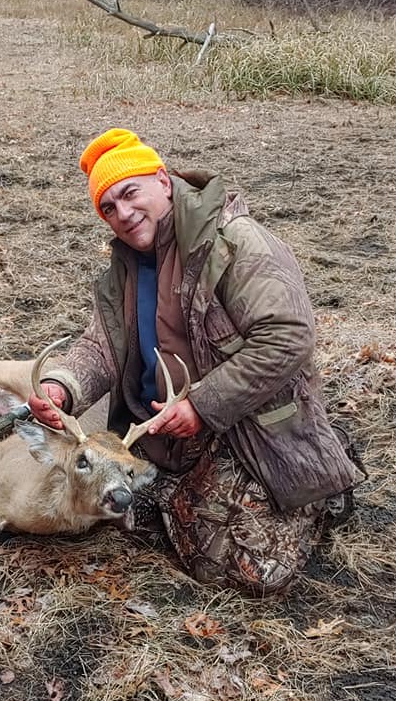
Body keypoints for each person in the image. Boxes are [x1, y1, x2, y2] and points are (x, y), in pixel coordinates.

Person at [28, 128, 363, 594]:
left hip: (245, 428)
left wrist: (202, 407)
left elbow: (288, 337)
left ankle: (319, 487)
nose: (123, 214)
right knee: (105, 508)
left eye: (130, 193)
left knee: (250, 572)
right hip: (157, 429)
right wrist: (62, 387)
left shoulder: (235, 243)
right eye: (108, 207)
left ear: (162, 181)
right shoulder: (124, 269)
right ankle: (179, 493)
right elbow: (99, 347)